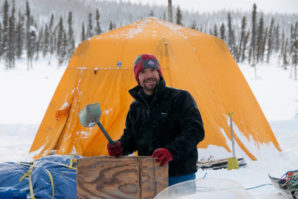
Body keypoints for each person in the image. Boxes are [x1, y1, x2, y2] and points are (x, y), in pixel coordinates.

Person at [107, 54, 205, 186]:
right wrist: (121, 146)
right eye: (143, 72)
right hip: (149, 175)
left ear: (159, 73)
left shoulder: (180, 98)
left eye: (152, 70)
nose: (149, 76)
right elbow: (132, 138)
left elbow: (195, 131)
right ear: (137, 77)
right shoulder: (135, 108)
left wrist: (171, 151)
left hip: (180, 176)